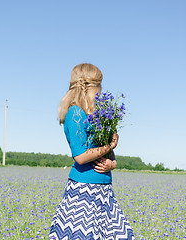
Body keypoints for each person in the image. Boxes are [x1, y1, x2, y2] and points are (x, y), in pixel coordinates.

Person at [49, 63, 135, 239]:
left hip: (104, 190)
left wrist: (112, 163)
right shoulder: (75, 113)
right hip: (84, 191)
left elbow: (106, 152)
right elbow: (80, 156)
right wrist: (110, 146)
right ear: (88, 87)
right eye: (99, 86)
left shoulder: (98, 116)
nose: (101, 92)